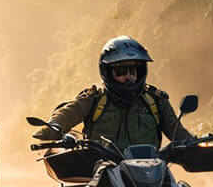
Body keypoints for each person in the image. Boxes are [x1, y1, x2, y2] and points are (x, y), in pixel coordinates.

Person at [35, 36, 189, 149]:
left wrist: (196, 144)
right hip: (104, 170)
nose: (128, 76)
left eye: (132, 70)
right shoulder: (95, 98)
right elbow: (69, 113)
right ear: (108, 72)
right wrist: (55, 126)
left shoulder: (155, 100)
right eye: (121, 70)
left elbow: (177, 132)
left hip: (152, 171)